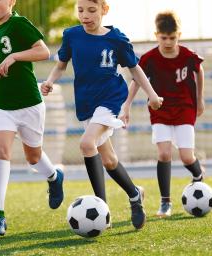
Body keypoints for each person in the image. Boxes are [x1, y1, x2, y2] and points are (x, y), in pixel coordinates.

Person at [41, 0, 163, 229]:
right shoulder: (72, 35)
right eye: (80, 10)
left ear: (104, 10)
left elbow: (135, 69)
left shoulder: (116, 38)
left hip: (111, 99)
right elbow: (61, 65)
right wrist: (49, 81)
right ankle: (135, 194)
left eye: (91, 10)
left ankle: (101, 208)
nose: (85, 15)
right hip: (87, 103)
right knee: (109, 160)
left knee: (87, 144)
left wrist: (153, 95)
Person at [0, 0, 64, 237]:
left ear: (11, 1)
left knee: (33, 157)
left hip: (29, 104)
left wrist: (15, 57)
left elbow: (43, 51)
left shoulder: (19, 24)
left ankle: (54, 176)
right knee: (0, 152)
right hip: (0, 105)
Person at [122, 11, 205, 218]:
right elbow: (136, 81)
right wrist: (127, 105)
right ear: (156, 34)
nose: (168, 41)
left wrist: (199, 98)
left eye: (172, 37)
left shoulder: (187, 55)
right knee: (164, 154)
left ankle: (198, 173)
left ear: (179, 35)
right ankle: (165, 202)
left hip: (185, 108)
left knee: (187, 157)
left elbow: (199, 70)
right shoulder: (150, 58)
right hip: (160, 110)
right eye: (163, 37)